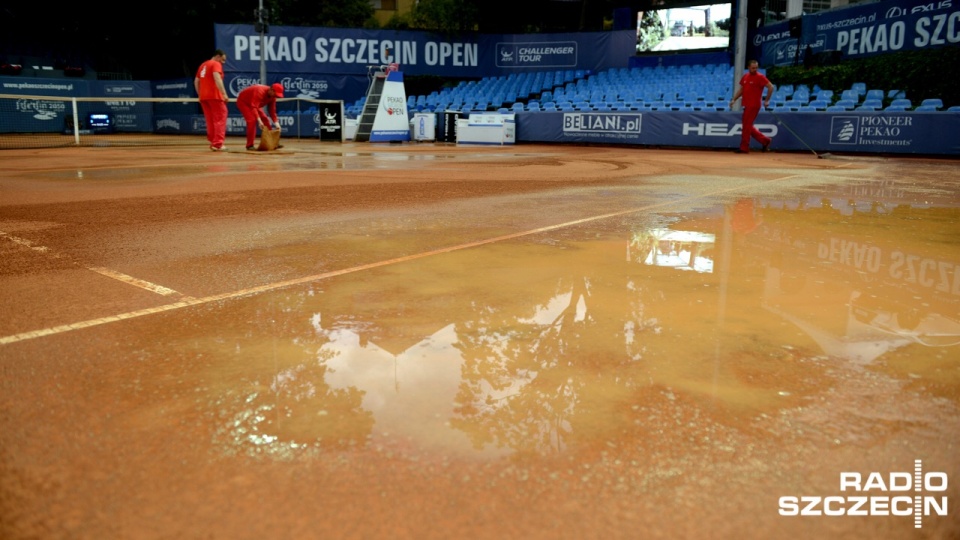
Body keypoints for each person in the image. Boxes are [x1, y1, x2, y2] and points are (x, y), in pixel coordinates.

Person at [729, 60, 774, 154]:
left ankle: (744, 148)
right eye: (753, 68)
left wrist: (767, 100)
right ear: (748, 67)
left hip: (754, 105)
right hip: (746, 104)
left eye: (756, 68)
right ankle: (765, 140)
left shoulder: (760, 77)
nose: (755, 69)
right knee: (747, 126)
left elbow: (771, 87)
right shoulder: (745, 76)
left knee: (746, 126)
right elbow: (742, 89)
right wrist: (734, 99)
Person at [194, 50, 229, 151]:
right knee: (221, 118)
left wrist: (200, 94)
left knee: (210, 119)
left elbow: (196, 81)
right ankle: (218, 144)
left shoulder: (202, 65)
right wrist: (224, 93)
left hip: (204, 97)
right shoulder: (215, 64)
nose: (223, 62)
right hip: (215, 96)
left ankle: (213, 141)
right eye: (223, 60)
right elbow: (217, 78)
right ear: (217, 56)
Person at [236, 83, 284, 151]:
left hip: (254, 104)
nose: (276, 96)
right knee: (251, 121)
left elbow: (272, 111)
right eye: (275, 94)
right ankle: (250, 145)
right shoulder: (260, 91)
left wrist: (277, 123)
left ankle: (272, 142)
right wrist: (259, 121)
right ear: (271, 90)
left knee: (265, 119)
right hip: (244, 102)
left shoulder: (273, 97)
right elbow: (254, 107)